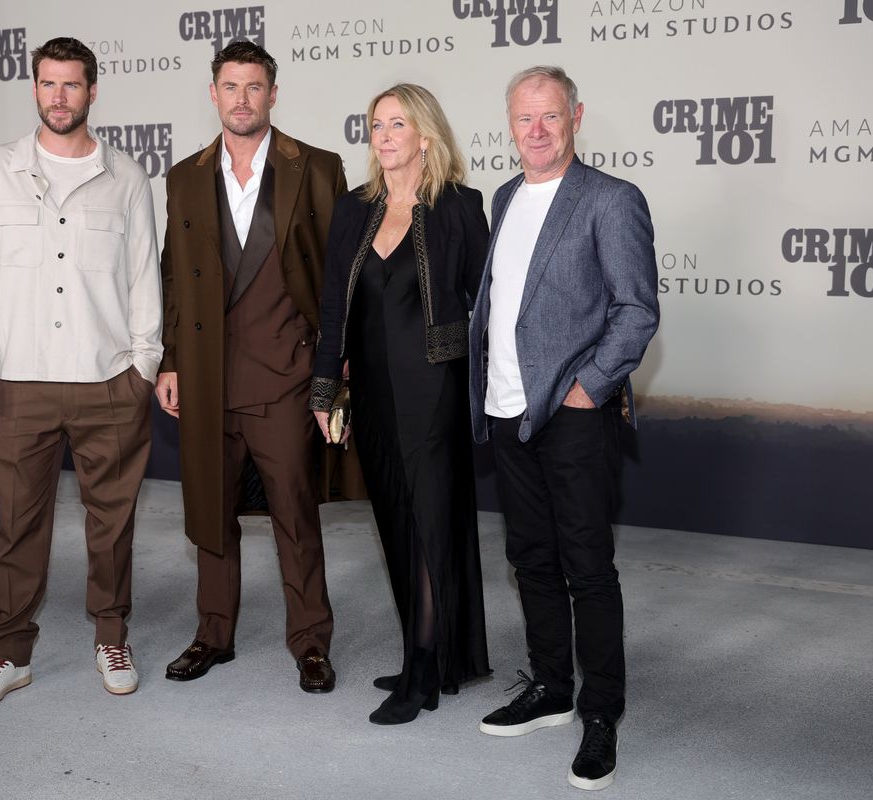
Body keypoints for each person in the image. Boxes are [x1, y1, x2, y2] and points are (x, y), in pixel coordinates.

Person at [0, 37, 162, 709]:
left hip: (109, 382)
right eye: (48, 83)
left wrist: (143, 366)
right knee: (18, 526)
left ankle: (112, 637)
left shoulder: (127, 178)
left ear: (92, 91)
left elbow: (144, 281)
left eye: (71, 84)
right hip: (22, 382)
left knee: (112, 524)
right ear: (35, 88)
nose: (59, 97)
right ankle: (9, 654)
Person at [468, 66, 660, 789]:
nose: (537, 130)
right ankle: (551, 686)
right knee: (531, 558)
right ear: (510, 124)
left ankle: (601, 712)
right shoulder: (504, 197)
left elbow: (636, 309)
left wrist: (588, 388)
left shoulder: (611, 199)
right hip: (506, 409)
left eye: (550, 115)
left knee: (587, 566)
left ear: (576, 117)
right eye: (525, 118)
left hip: (572, 415)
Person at [156, 41, 346, 693]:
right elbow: (174, 277)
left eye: (254, 86)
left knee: (296, 514)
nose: (242, 99)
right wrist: (171, 360)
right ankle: (213, 634)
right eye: (231, 87)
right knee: (211, 513)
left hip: (286, 377)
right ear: (213, 94)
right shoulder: (184, 178)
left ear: (273, 94)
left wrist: (334, 370)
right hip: (207, 377)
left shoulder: (317, 168)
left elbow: (339, 280)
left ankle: (311, 642)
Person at [311, 84, 491, 725]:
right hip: (375, 395)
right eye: (376, 125)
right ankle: (430, 650)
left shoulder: (459, 207)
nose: (384, 137)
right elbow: (333, 306)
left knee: (431, 523)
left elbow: (486, 303)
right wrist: (325, 387)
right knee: (394, 520)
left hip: (435, 390)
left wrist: (490, 386)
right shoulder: (354, 209)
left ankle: (423, 670)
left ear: (426, 135)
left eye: (397, 124)